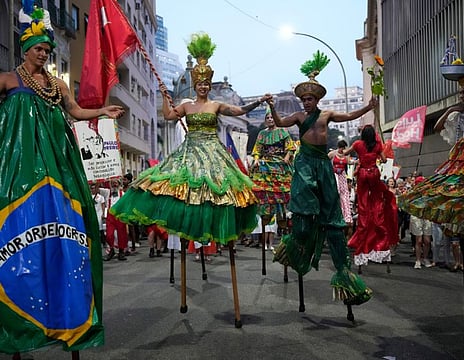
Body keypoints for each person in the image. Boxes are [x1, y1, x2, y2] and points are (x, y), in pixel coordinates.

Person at [0, 3, 124, 354]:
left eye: (46, 49)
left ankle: (66, 313)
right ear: (25, 49)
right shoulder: (9, 79)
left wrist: (101, 110)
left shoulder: (56, 85)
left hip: (57, 161)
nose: (43, 53)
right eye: (38, 48)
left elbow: (75, 111)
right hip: (21, 164)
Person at [110, 33, 271, 260]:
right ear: (195, 86)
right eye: (200, 84)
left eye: (206, 83)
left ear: (209, 86)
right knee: (181, 191)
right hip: (190, 152)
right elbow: (167, 116)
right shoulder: (187, 106)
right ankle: (190, 242)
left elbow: (239, 112)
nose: (203, 87)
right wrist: (166, 96)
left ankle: (211, 240)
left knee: (217, 193)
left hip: (213, 153)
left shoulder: (216, 105)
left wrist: (258, 102)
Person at [269, 51, 375, 305]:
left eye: (309, 99)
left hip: (323, 164)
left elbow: (349, 116)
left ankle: (343, 271)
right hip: (305, 163)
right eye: (303, 99)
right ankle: (296, 247)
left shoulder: (326, 115)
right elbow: (280, 123)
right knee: (304, 208)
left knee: (332, 217)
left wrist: (369, 107)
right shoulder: (298, 117)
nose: (306, 102)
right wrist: (272, 107)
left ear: (316, 99)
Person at [399, 73, 464, 248]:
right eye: (460, 93)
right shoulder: (459, 116)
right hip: (459, 164)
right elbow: (437, 127)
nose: (461, 96)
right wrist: (450, 110)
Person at [343, 126, 399, 270]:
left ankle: (364, 216)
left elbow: (345, 153)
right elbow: (385, 159)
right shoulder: (377, 145)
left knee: (363, 204)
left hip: (362, 174)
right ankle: (377, 213)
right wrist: (380, 156)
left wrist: (351, 160)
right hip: (374, 173)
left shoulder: (357, 144)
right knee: (376, 202)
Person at [248, 106, 295, 247]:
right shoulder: (262, 133)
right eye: (267, 118)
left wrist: (287, 156)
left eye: (271, 117)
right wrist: (256, 159)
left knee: (282, 192)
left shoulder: (283, 131)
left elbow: (291, 147)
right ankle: (266, 214)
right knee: (264, 191)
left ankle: (282, 215)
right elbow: (257, 149)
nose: (269, 119)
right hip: (266, 165)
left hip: (280, 165)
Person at [328, 140, 353, 228]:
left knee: (344, 194)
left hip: (342, 175)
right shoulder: (333, 153)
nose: (343, 150)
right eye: (342, 148)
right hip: (334, 175)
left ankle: (347, 216)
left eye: (344, 148)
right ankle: (335, 214)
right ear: (339, 147)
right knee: (336, 192)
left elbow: (350, 162)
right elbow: (325, 161)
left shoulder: (346, 155)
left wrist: (357, 161)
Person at [103, 177, 129, 261]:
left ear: (119, 184)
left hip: (119, 215)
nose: (114, 184)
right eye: (113, 183)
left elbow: (126, 205)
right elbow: (97, 189)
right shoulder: (107, 193)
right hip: (110, 216)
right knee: (109, 235)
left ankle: (121, 252)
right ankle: (112, 250)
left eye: (116, 183)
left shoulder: (123, 194)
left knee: (121, 234)